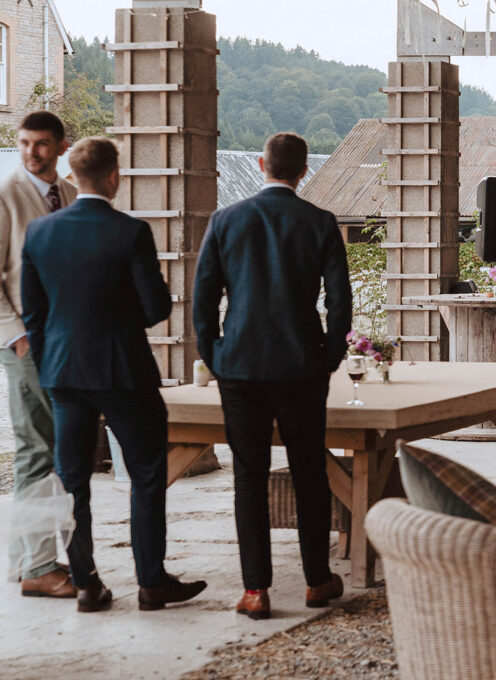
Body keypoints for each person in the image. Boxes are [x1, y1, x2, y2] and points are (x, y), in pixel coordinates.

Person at [21, 137, 206, 613]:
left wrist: (50, 367)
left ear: (73, 174)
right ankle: (151, 581)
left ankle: (86, 583)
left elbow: (35, 315)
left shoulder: (40, 234)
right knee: (146, 473)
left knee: (72, 479)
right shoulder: (130, 231)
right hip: (123, 369)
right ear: (113, 176)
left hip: (63, 373)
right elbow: (155, 307)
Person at [193, 132, 353, 620]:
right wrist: (328, 356)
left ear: (262, 164)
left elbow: (202, 300)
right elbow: (340, 301)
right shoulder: (321, 223)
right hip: (302, 363)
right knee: (308, 472)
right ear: (303, 170)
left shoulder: (225, 220)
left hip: (239, 365)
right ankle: (316, 580)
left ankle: (256, 590)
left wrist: (215, 355)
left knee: (248, 475)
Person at [0, 111, 77, 598]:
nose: (32, 152)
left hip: (66, 342)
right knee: (33, 450)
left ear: (61, 146)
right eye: (25, 143)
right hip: (24, 343)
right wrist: (17, 335)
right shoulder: (5, 195)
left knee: (58, 450)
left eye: (42, 143)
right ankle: (38, 567)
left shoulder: (70, 197)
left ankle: (32, 556)